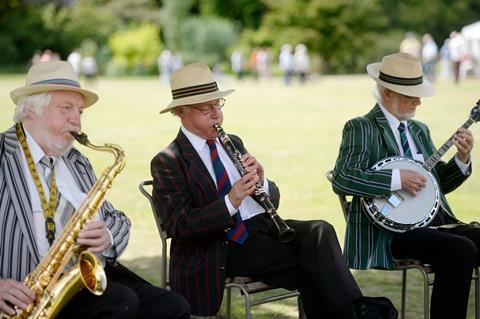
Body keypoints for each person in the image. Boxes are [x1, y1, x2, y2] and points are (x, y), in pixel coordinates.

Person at [150, 63, 363, 318]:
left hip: (262, 229)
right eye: (207, 108)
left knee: (320, 231)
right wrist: (231, 200)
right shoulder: (169, 160)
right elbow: (180, 225)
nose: (216, 115)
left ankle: (356, 312)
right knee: (315, 266)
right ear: (182, 112)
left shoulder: (233, 142)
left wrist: (261, 182)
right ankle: (361, 312)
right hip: (222, 246)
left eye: (219, 105)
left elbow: (272, 201)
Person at [0, 60, 190, 319]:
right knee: (122, 303)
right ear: (32, 109)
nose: (77, 121)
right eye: (66, 109)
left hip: (81, 278)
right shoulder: (3, 155)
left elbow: (117, 220)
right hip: (26, 299)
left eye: (80, 111)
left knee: (173, 307)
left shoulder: (76, 160)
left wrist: (108, 237)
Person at [331, 52, 478, 319]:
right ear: (388, 93)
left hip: (435, 222)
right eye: (412, 96)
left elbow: (438, 184)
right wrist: (397, 180)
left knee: (472, 243)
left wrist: (462, 158)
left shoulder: (419, 129)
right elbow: (344, 177)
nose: (419, 102)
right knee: (460, 250)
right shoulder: (361, 127)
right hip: (389, 231)